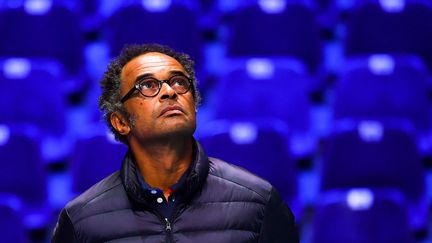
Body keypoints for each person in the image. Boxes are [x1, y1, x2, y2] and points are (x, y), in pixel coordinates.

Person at [52, 43, 299, 242]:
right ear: (121, 122)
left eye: (179, 82)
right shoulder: (82, 220)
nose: (170, 91)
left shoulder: (259, 203)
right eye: (147, 85)